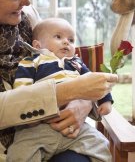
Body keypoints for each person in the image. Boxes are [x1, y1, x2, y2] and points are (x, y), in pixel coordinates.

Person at [0, 0, 118, 161]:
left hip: (67, 136)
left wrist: (82, 103)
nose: (27, 2)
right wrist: (68, 92)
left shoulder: (28, 19)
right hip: (18, 144)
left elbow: (66, 68)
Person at [7, 17, 112, 162]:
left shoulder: (77, 64)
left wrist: (105, 101)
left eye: (71, 39)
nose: (66, 42)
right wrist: (28, 118)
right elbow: (22, 90)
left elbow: (95, 82)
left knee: (100, 143)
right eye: (58, 37)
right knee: (19, 153)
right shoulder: (32, 62)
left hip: (76, 129)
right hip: (37, 129)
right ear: (37, 45)